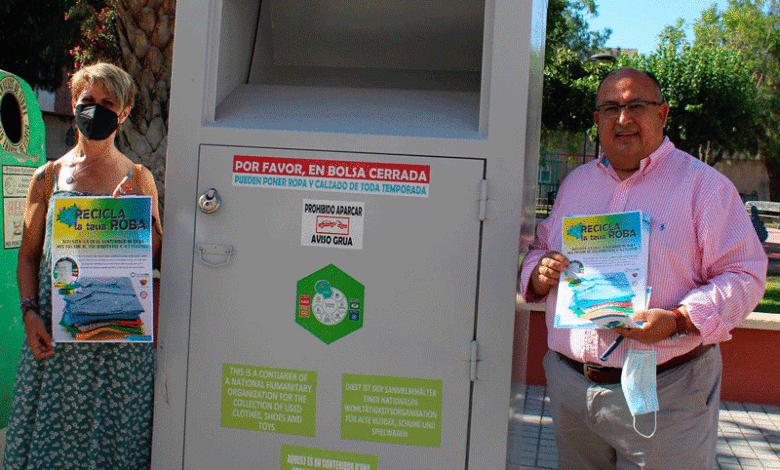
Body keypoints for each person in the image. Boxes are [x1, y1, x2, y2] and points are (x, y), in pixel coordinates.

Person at [519, 68, 767, 469]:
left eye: (636, 105)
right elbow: (542, 249)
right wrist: (538, 271)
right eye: (610, 108)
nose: (623, 118)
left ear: (662, 114)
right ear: (597, 119)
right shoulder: (576, 184)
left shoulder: (705, 187)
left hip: (666, 392)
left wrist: (679, 320)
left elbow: (745, 274)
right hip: (571, 389)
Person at [2, 63, 162, 470]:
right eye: (88, 100)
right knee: (52, 447)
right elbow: (28, 256)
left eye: (108, 102)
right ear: (74, 103)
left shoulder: (140, 179)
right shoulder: (47, 177)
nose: (96, 110)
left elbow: (157, 260)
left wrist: (140, 217)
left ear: (124, 112)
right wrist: (29, 313)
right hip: (56, 343)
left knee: (113, 449)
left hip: (117, 348)